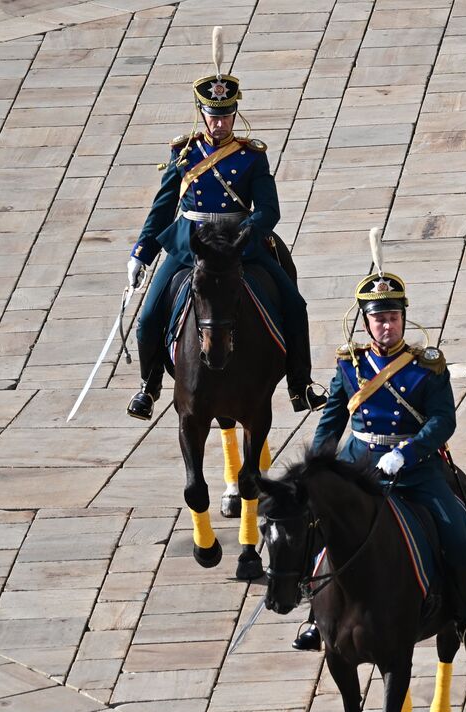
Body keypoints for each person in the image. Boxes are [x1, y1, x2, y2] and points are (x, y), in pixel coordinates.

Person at [298, 258, 466, 656]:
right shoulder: (349, 366)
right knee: (310, 525)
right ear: (366, 323)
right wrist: (317, 467)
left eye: (392, 317)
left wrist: (406, 452)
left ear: (404, 319)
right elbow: (333, 420)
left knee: (456, 532)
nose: (386, 326)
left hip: (416, 469)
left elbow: (442, 421)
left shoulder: (427, 367)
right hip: (358, 464)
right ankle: (313, 616)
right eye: (378, 319)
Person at [125, 28, 322, 420]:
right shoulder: (183, 154)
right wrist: (141, 254)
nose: (220, 124)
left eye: (226, 116)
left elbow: (269, 208)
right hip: (190, 243)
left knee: (295, 305)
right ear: (203, 114)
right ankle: (149, 386)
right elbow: (163, 208)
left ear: (235, 113)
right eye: (213, 117)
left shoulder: (252, 156)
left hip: (238, 242)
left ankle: (301, 384)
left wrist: (248, 232)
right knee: (148, 317)